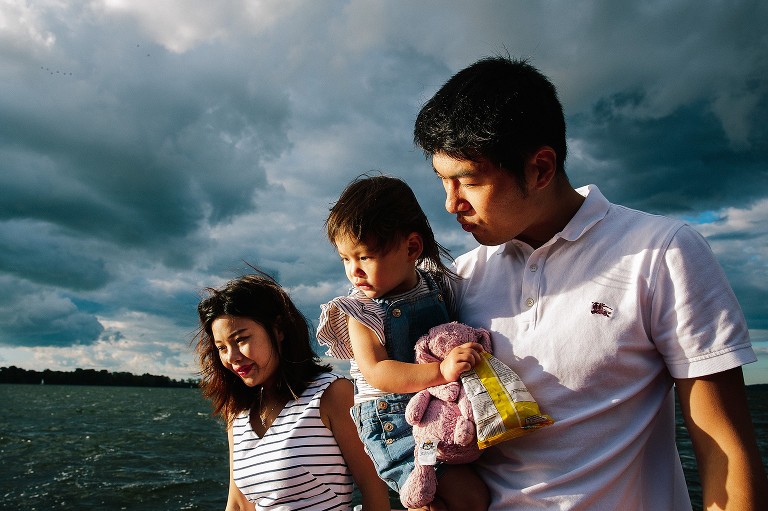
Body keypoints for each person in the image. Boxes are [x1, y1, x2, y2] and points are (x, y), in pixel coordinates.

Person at [412, 55, 768, 510]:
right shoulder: (460, 276)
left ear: (540, 169)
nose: (450, 204)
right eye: (443, 181)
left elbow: (726, 451)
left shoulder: (661, 252)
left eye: (467, 182)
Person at [317, 174, 489, 511]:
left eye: (365, 257)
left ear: (412, 248)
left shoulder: (435, 284)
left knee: (467, 494)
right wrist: (443, 371)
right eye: (345, 259)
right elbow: (379, 372)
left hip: (434, 411)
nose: (354, 271)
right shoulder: (361, 310)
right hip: (392, 420)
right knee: (460, 497)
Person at [195, 271, 391, 511]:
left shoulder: (332, 394)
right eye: (222, 348)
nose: (232, 357)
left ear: (278, 330)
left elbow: (374, 491)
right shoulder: (237, 413)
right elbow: (238, 504)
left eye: (241, 339)